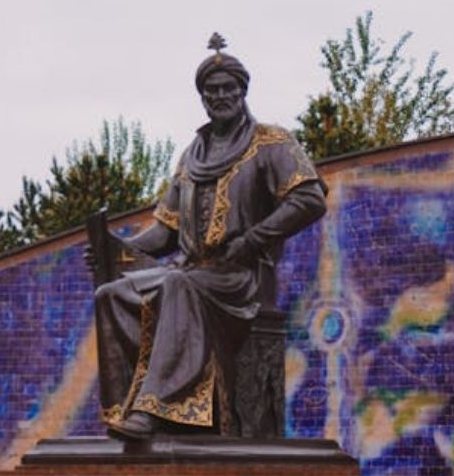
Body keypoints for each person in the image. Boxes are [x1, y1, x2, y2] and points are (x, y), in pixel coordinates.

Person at [95, 35, 327, 440]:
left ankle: (156, 409)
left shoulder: (271, 142)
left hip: (241, 277)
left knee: (178, 284)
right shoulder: (191, 155)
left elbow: (309, 198)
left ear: (243, 91)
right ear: (202, 97)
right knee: (112, 294)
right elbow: (165, 230)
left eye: (228, 88)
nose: (220, 96)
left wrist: (254, 238)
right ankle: (125, 408)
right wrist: (119, 249)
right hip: (192, 272)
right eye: (211, 90)